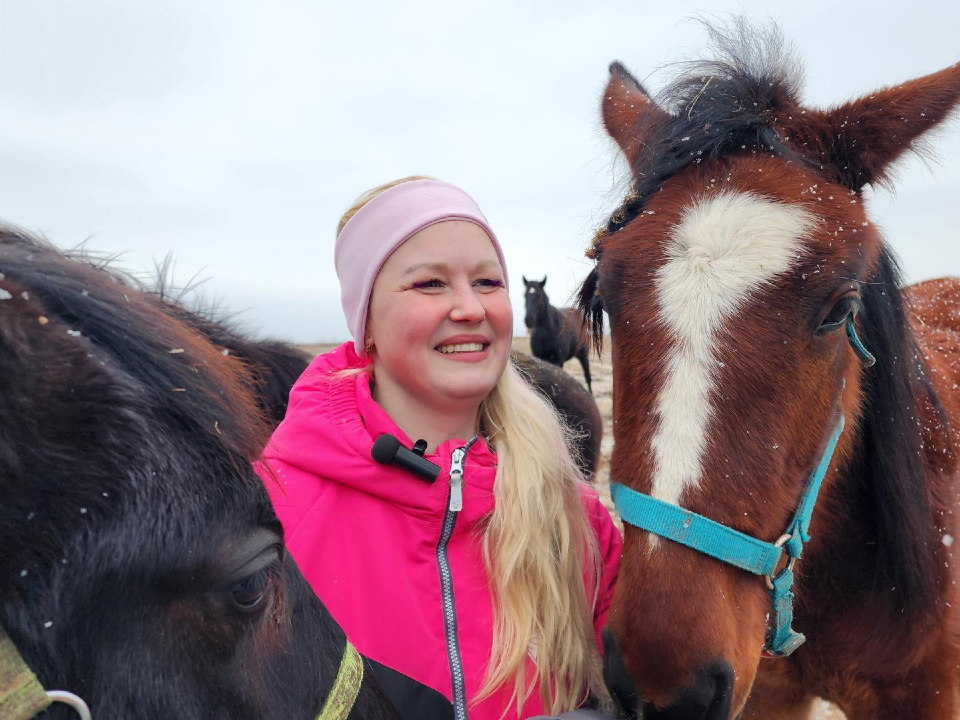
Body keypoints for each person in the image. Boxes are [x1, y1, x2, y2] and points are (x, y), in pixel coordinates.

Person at [256, 176, 621, 719]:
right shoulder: (270, 520)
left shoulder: (579, 522)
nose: (470, 307)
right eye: (429, 284)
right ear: (367, 323)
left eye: (487, 282)